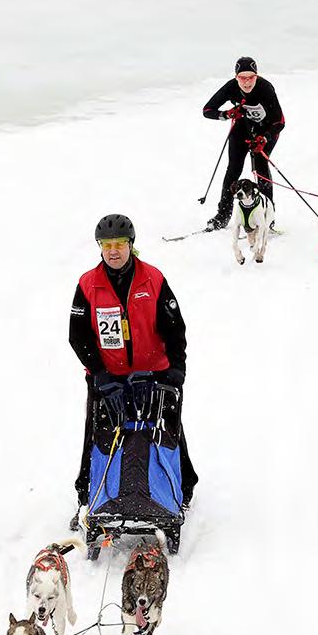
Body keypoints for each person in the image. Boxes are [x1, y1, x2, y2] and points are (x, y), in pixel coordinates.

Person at [68, 214, 198, 527]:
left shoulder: (152, 279)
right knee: (98, 435)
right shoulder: (88, 284)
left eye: (120, 244)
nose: (114, 251)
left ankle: (181, 488)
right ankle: (87, 498)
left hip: (155, 373)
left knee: (166, 430)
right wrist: (99, 375)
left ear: (131, 245)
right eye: (107, 245)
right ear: (100, 247)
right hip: (107, 377)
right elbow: (78, 335)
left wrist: (176, 371)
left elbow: (174, 328)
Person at [201, 56, 285, 231]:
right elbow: (207, 110)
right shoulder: (231, 87)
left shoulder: (265, 88)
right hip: (241, 130)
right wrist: (227, 114)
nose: (247, 82)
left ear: (257, 76)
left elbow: (280, 121)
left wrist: (265, 138)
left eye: (251, 77)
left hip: (266, 132)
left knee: (260, 168)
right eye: (242, 78)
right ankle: (223, 215)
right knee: (233, 170)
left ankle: (267, 216)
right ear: (236, 77)